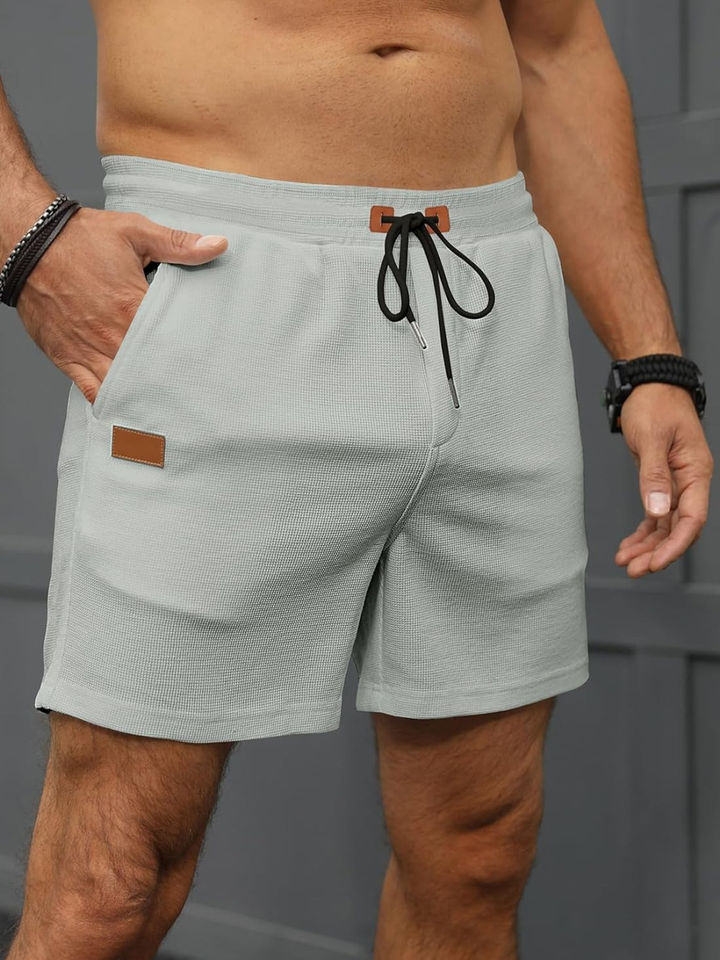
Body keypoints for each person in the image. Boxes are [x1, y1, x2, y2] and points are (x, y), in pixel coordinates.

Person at [0, 1, 713, 957]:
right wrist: (28, 236)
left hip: (489, 296)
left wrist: (649, 357)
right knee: (112, 886)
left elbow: (558, 48)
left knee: (479, 853)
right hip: (224, 280)